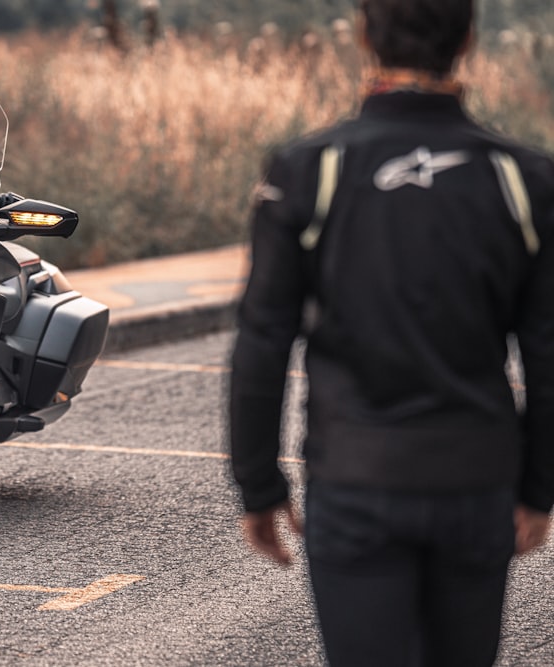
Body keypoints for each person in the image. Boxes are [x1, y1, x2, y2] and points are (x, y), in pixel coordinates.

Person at [228, 0, 554, 664]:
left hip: (357, 483)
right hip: (476, 485)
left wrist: (259, 486)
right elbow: (548, 351)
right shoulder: (524, 177)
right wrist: (538, 489)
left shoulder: (308, 169)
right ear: (468, 39)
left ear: (362, 34)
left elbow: (263, 338)